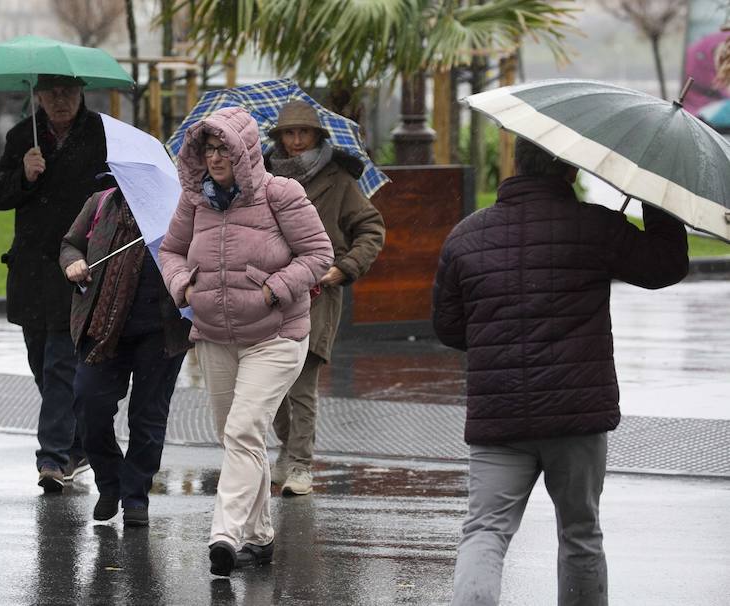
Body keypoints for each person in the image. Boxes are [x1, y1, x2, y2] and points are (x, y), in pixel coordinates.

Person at [432, 137, 689, 605]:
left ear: (516, 164)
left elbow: (449, 327)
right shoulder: (595, 227)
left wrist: (499, 339)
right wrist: (654, 198)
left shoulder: (467, 235)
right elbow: (665, 265)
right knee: (580, 531)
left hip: (500, 414)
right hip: (577, 415)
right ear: (570, 171)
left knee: (485, 530)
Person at [159, 107, 333, 576]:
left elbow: (319, 253)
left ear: (246, 151)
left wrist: (274, 289)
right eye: (209, 149)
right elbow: (171, 251)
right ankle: (259, 537)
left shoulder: (281, 193)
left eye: (225, 149)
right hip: (215, 336)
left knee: (242, 431)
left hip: (276, 336)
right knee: (238, 437)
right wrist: (183, 286)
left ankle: (225, 533)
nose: (216, 158)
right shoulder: (194, 200)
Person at [0, 74, 114, 492]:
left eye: (68, 92)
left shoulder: (101, 135)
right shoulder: (22, 136)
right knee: (41, 361)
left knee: (61, 363)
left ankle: (52, 459)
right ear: (38, 96)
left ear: (81, 93)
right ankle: (75, 443)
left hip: (77, 266)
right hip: (30, 271)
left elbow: (116, 194)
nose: (61, 100)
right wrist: (24, 175)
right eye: (52, 93)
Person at [265, 100, 386, 496]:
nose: (297, 140)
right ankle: (287, 449)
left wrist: (345, 267)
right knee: (271, 384)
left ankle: (301, 464)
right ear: (279, 137)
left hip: (318, 292)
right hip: (270, 292)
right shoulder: (261, 175)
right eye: (290, 132)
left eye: (304, 132)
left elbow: (370, 228)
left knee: (302, 383)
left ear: (318, 135)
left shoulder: (338, 179)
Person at [60, 186, 191, 526]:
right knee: (88, 405)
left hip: (162, 331)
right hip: (104, 328)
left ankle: (135, 497)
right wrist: (73, 261)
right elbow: (71, 243)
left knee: (148, 417)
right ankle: (110, 481)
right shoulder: (102, 202)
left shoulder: (182, 208)